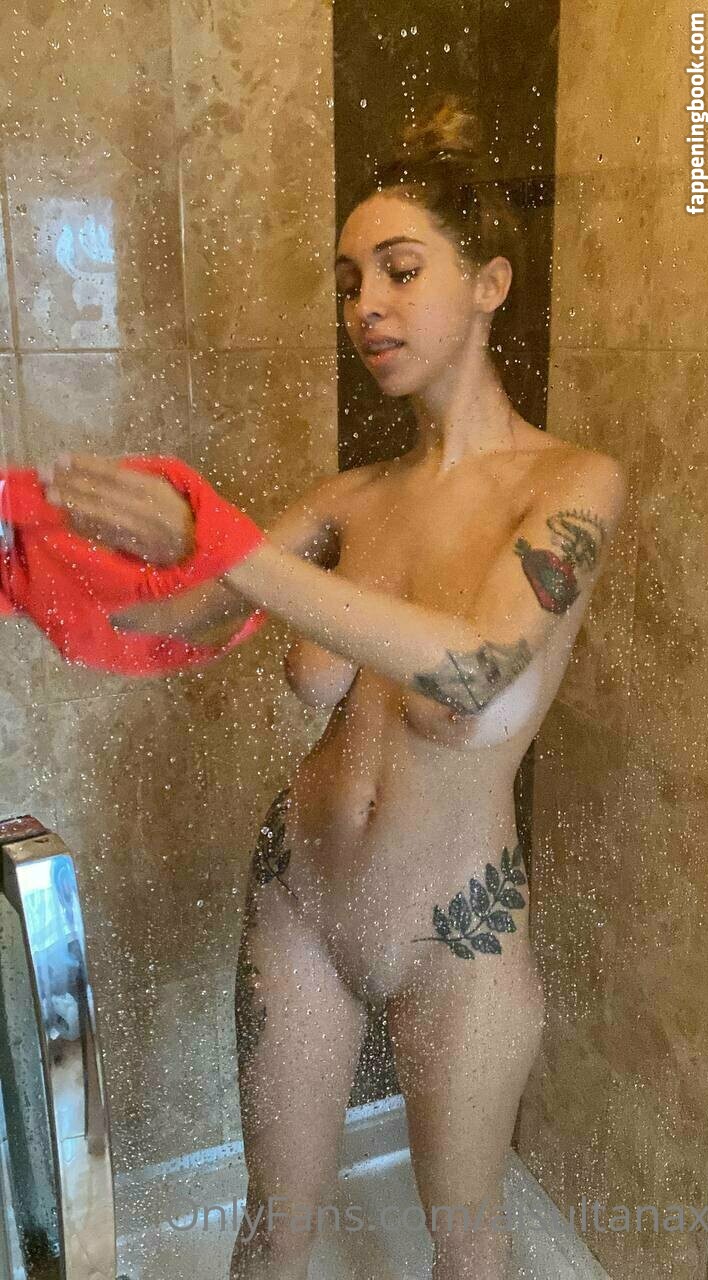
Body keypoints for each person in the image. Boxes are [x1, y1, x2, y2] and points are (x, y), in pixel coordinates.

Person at [41, 96, 626, 1280]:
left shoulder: (571, 485)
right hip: (299, 900)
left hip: (457, 937)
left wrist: (224, 543)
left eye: (400, 271)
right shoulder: (350, 498)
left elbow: (476, 661)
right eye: (350, 280)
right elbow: (182, 613)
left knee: (465, 1242)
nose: (365, 305)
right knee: (273, 1227)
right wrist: (37, 554)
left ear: (490, 284)